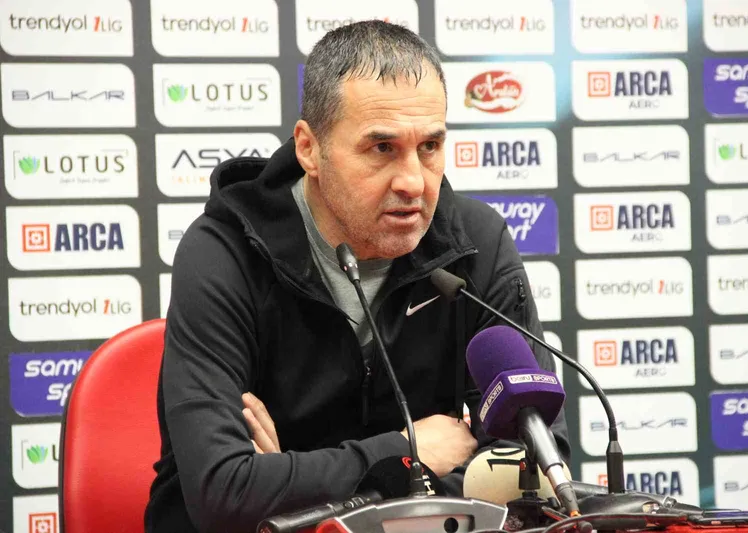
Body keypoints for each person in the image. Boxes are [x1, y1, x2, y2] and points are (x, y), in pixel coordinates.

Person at [145, 20, 570, 533]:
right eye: (382, 148)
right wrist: (410, 453)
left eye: (430, 147)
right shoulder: (224, 253)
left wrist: (292, 482)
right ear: (309, 149)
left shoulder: (474, 245)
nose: (413, 182)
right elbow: (225, 493)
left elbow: (537, 466)